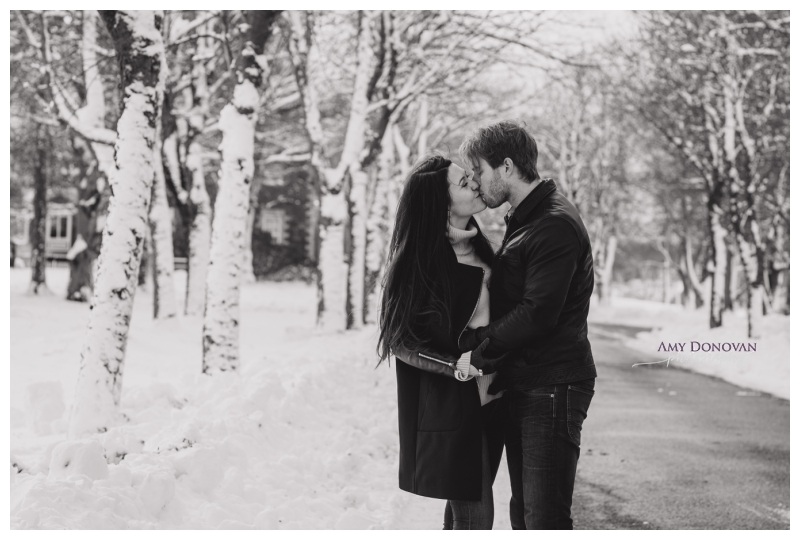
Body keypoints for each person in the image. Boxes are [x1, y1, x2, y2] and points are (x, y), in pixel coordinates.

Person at [458, 120, 597, 530]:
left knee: (544, 520)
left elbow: (538, 311)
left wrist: (479, 350)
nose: (478, 183)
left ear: (505, 167)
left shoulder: (552, 223)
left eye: (479, 171)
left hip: (552, 387)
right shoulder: (528, 217)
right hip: (530, 382)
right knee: (527, 517)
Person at [377, 155, 507, 530]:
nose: (475, 184)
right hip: (453, 403)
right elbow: (400, 340)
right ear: (441, 202)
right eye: (464, 183)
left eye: (471, 177)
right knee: (476, 515)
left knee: (464, 513)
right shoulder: (417, 261)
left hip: (492, 399)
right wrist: (456, 366)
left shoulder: (484, 250)